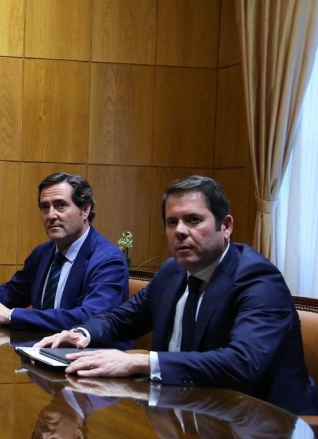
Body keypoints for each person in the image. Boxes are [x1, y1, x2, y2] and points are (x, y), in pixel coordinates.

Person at [35, 175, 318, 415]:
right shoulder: (173, 271)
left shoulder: (257, 278)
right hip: (189, 412)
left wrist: (141, 361)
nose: (181, 231)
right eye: (172, 222)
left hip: (263, 422)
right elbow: (124, 318)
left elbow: (241, 363)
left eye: (193, 220)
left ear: (226, 226)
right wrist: (83, 333)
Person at [0, 172, 129, 336]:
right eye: (45, 207)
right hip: (41, 349)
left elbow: (91, 318)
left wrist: (12, 315)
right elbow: (14, 291)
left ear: (85, 210)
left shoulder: (108, 261)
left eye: (60, 205)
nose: (51, 215)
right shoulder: (42, 253)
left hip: (90, 355)